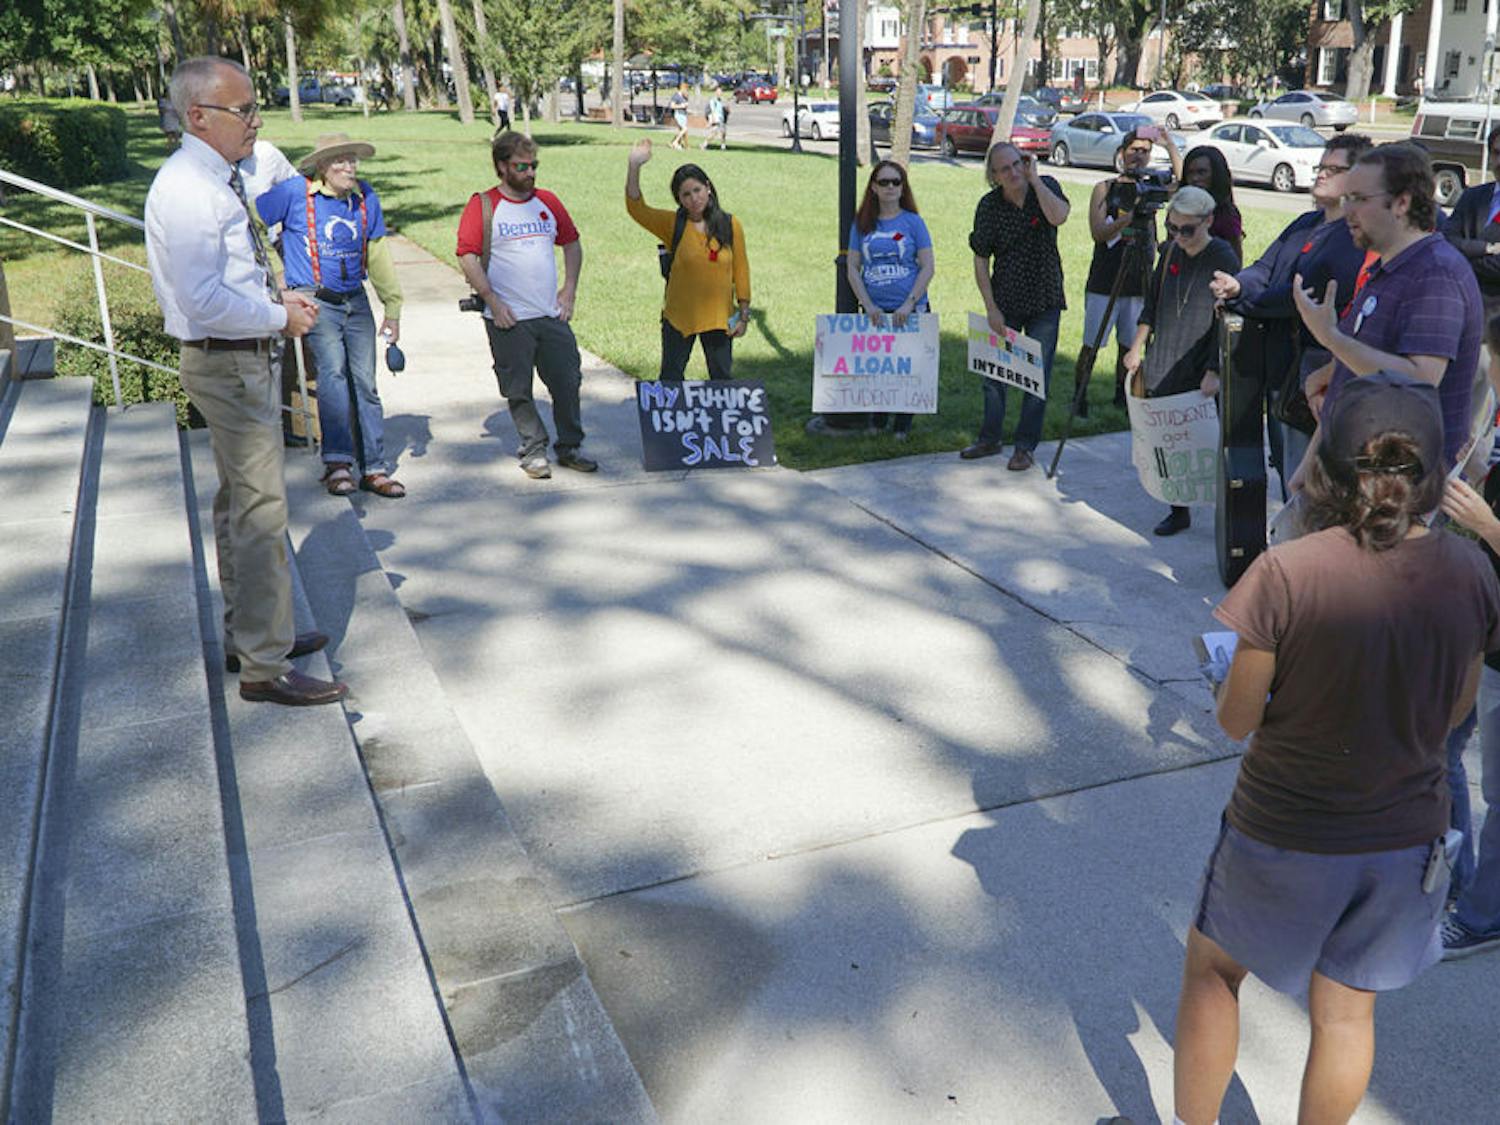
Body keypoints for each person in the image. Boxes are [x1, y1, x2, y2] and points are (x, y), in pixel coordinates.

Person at [1175, 371, 1500, 1124]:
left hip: (1284, 827)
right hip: (1406, 836)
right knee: (1348, 1013)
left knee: (1214, 971)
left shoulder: (1285, 573)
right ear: (1433, 472)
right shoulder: (1472, 571)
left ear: (1329, 467)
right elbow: (1455, 707)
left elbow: (1236, 719)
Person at [144, 56, 345, 707]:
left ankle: (252, 633)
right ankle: (263, 663)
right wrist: (278, 316)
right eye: (244, 110)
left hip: (239, 352)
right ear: (197, 116)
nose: (257, 120)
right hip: (227, 357)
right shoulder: (189, 189)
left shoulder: (213, 176)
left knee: (240, 502)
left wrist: (273, 300)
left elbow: (224, 277)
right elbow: (203, 299)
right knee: (261, 510)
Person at [1293, 142, 1484, 480]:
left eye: (1359, 199)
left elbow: (1419, 380)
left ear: (1401, 203)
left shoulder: (1436, 273)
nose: (1347, 210)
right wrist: (1311, 465)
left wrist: (1331, 338)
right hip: (1358, 483)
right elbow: (1352, 372)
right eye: (1347, 198)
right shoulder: (1389, 268)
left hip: (1402, 495)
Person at [1209, 133, 1373, 494]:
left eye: (1334, 168)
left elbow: (1302, 295)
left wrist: (1241, 299)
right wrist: (1237, 284)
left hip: (1316, 374)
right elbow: (1262, 269)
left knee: (1309, 488)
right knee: (1286, 475)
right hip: (1279, 373)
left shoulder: (1354, 236)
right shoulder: (1304, 223)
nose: (1322, 174)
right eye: (1321, 167)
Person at [257, 132, 406, 498]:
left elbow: (378, 252)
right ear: (322, 166)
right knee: (333, 374)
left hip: (355, 300)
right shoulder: (295, 193)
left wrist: (393, 306)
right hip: (314, 299)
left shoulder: (365, 197)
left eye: (351, 159)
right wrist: (277, 264)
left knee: (366, 383)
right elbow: (251, 215)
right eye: (339, 161)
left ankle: (374, 467)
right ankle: (338, 464)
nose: (348, 167)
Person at [456, 130, 596, 480]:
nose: (531, 172)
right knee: (518, 388)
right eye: (522, 166)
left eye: (534, 165)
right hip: (508, 318)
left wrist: (569, 290)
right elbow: (467, 256)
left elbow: (573, 244)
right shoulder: (484, 205)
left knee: (567, 381)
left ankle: (570, 446)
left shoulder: (547, 201)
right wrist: (491, 300)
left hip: (550, 314)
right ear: (501, 167)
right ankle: (533, 450)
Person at [1124, 185, 1239, 536]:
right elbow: (1153, 303)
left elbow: (1230, 319)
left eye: (1186, 229)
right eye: (1172, 228)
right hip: (1164, 356)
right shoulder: (1172, 250)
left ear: (1208, 221)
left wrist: (1215, 370)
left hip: (1200, 360)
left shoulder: (1223, 256)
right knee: (1166, 441)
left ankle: (1226, 511)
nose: (1178, 236)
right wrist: (1137, 346)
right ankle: (1178, 508)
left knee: (1205, 444)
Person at [961, 142, 1070, 471]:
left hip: (1044, 297)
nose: (1013, 172)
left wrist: (1035, 180)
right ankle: (990, 437)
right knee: (995, 376)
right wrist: (991, 307)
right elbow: (981, 259)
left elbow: (1060, 216)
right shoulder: (989, 206)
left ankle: (1025, 446)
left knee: (1036, 376)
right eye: (1005, 169)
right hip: (1006, 297)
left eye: (1017, 164)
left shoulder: (1045, 187)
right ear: (994, 176)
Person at [625, 139, 750, 381]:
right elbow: (637, 209)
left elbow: (741, 270)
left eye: (697, 190)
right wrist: (634, 166)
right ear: (679, 200)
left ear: (708, 188)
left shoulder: (730, 225)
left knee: (722, 381)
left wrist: (743, 314)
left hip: (719, 318)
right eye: (686, 194)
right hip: (678, 318)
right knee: (671, 379)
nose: (694, 198)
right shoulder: (674, 225)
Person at [1082, 126, 1182, 411]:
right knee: (1092, 342)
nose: (1139, 156)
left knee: (1129, 343)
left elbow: (1184, 183)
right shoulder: (1106, 188)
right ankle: (1081, 396)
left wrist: (1170, 144)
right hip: (1106, 277)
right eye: (1134, 150)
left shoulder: (1153, 186)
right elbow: (1098, 232)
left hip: (1139, 278)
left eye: (1145, 151)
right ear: (1122, 153)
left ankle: (1121, 396)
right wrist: (1128, 218)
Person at [846, 159, 935, 441]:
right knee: (879, 367)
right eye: (884, 182)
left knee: (906, 367)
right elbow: (852, 267)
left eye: (896, 182)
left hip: (910, 308)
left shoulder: (913, 222)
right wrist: (867, 305)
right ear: (873, 187)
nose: (890, 187)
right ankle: (878, 419)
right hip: (875, 311)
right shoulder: (862, 224)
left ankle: (902, 425)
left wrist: (909, 303)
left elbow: (928, 266)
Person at [1441, 123, 1500, 318]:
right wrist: (1487, 248)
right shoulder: (1472, 196)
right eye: (1496, 153)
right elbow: (1446, 241)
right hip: (1458, 308)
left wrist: (1460, 260)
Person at [1181, 144, 1243, 263]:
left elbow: (1235, 262)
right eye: (1190, 173)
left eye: (1201, 172)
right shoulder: (1179, 210)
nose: (1195, 178)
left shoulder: (1227, 215)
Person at [668, 84, 690, 150]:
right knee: (684, 129)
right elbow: (672, 106)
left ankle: (676, 143)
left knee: (681, 130)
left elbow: (685, 106)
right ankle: (675, 142)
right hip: (678, 114)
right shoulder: (676, 96)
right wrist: (681, 106)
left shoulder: (684, 96)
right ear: (682, 89)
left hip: (683, 114)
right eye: (686, 89)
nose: (686, 91)